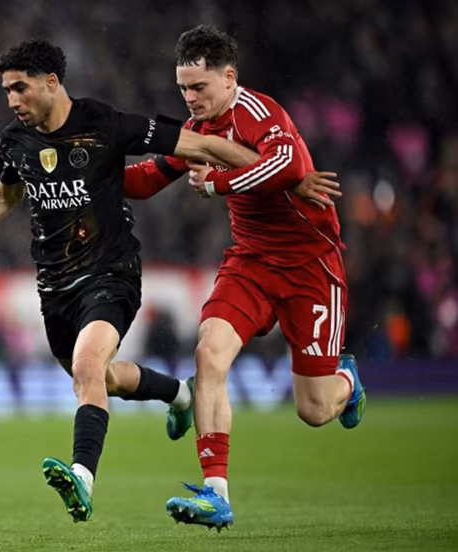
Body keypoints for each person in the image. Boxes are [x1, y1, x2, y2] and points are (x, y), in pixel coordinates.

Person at [0, 38, 263, 523]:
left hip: (111, 274)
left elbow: (198, 143)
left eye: (20, 88)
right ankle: (180, 393)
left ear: (52, 83)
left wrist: (285, 173)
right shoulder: (15, 140)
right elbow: (7, 195)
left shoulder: (104, 123)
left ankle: (83, 477)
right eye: (7, 91)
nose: (12, 100)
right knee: (98, 377)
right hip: (54, 289)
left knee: (87, 367)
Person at [121, 25, 366, 531]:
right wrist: (87, 175)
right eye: (183, 89)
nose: (190, 99)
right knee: (209, 352)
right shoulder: (198, 130)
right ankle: (216, 494)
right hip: (251, 262)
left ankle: (348, 381)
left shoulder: (259, 112)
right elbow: (147, 180)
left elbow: (287, 164)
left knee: (315, 410)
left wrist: (217, 184)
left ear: (229, 78)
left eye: (199, 88)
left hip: (309, 267)